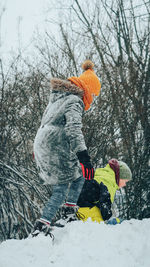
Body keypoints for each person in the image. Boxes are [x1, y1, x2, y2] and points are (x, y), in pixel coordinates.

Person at [32, 60, 101, 237]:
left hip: (42, 143)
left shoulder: (58, 97)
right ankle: (43, 225)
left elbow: (46, 124)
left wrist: (38, 150)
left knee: (76, 176)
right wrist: (84, 157)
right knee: (65, 185)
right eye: (93, 95)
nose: (92, 101)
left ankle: (67, 212)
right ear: (88, 90)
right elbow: (73, 129)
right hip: (55, 144)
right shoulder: (74, 101)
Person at [77, 159, 132, 224]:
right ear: (120, 177)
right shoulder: (109, 181)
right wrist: (109, 218)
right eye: (125, 181)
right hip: (84, 211)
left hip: (77, 207)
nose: (125, 184)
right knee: (107, 224)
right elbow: (105, 203)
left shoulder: (103, 176)